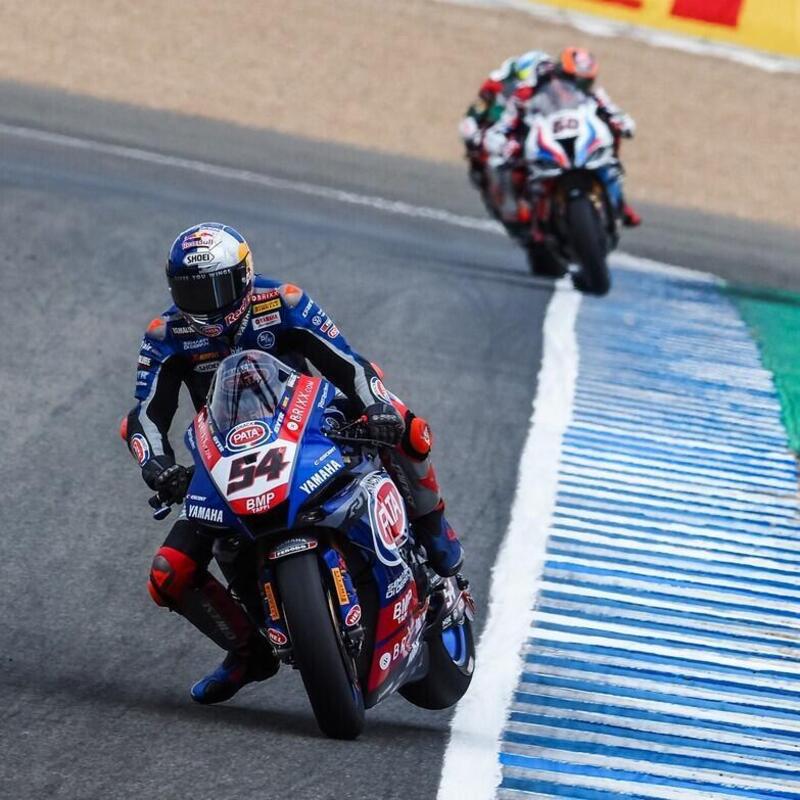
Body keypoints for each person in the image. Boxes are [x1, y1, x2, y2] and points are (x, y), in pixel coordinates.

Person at [122, 222, 464, 704]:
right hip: (228, 458)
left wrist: (375, 406)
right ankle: (249, 653)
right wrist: (158, 465)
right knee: (169, 573)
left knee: (407, 425)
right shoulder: (166, 334)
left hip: (310, 428)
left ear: (244, 277)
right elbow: (145, 416)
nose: (206, 304)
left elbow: (347, 362)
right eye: (191, 291)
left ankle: (434, 529)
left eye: (217, 288)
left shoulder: (283, 301)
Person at [484, 46, 641, 229]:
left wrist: (621, 121)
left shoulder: (591, 93)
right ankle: (523, 211)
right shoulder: (528, 92)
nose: (582, 84)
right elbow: (507, 122)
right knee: (507, 163)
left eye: (587, 81)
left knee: (609, 139)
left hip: (579, 132)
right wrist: (502, 141)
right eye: (578, 79)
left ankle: (619, 201)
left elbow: (611, 109)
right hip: (542, 137)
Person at [459, 50, 553, 189]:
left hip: (537, 120)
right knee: (470, 129)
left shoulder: (553, 84)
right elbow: (489, 93)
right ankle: (481, 164)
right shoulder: (508, 75)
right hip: (503, 121)